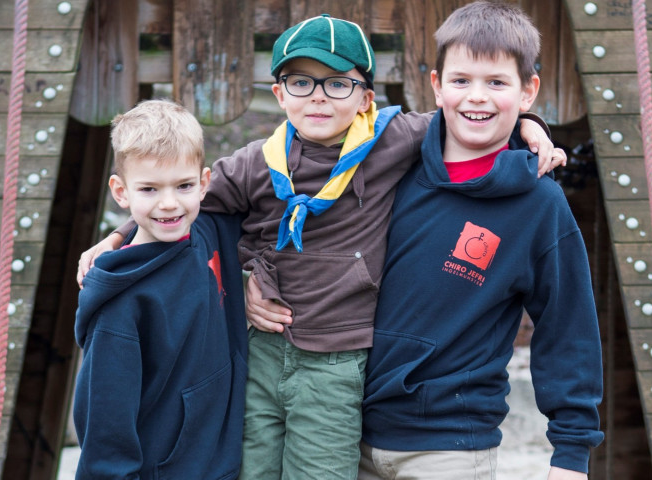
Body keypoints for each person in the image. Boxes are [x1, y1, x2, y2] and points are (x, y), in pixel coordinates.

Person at [77, 14, 562, 480]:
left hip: (337, 359)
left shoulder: (391, 139)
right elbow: (183, 206)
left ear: (366, 97)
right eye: (301, 82)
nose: (319, 97)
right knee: (251, 468)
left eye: (338, 84)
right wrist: (118, 237)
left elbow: (469, 112)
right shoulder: (255, 162)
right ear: (279, 93)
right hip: (262, 352)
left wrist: (529, 123)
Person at [248, 2, 602, 479]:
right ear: (436, 86)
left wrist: (571, 455)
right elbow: (261, 199)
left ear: (528, 90)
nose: (476, 97)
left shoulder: (539, 204)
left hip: (451, 446)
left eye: (496, 83)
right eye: (461, 81)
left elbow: (568, 327)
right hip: (348, 429)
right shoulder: (386, 163)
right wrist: (250, 275)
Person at [72, 99, 248, 480]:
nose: (169, 204)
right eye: (149, 189)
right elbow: (105, 427)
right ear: (121, 192)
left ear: (203, 183)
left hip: (220, 461)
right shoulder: (120, 306)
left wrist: (119, 233)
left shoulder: (207, 229)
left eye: (183, 186)